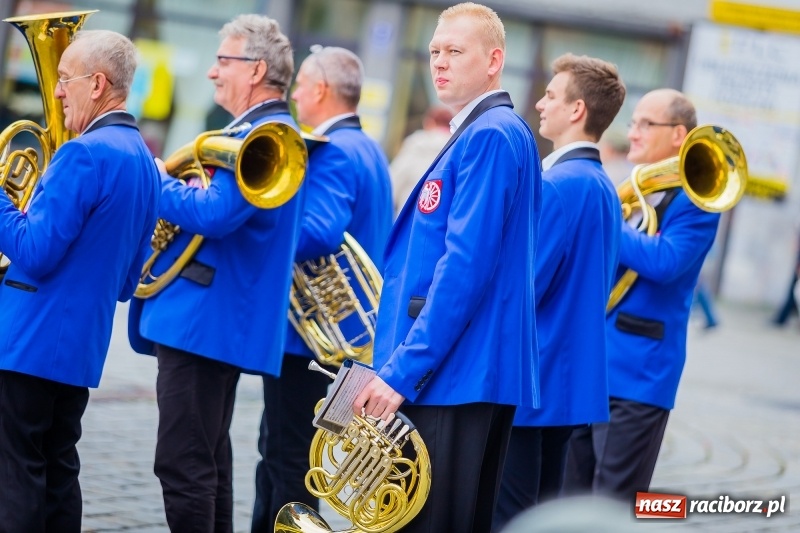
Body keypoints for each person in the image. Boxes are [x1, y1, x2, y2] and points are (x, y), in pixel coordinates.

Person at [353, 3, 541, 532]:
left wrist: (403, 372)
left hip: (454, 373)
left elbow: (465, 267)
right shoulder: (492, 130)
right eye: (435, 51)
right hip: (462, 370)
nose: (439, 62)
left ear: (493, 60)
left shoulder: (489, 134)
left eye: (455, 51)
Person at [126, 14, 303, 532]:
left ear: (256, 70)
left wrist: (154, 180)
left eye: (223, 61)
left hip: (207, 321)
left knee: (183, 464)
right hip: (211, 321)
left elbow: (215, 214)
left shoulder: (266, 133)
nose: (211, 73)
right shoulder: (252, 130)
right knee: (208, 463)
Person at [0, 30, 160, 532]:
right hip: (79, 348)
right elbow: (125, 282)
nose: (58, 91)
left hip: (30, 342)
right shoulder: (143, 160)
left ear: (97, 84)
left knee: (16, 473)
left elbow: (33, 250)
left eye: (65, 79)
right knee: (57, 472)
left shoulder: (83, 154)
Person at [250, 46, 392, 532]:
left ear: (320, 90)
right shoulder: (368, 147)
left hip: (309, 344)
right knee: (292, 458)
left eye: (299, 86)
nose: (293, 97)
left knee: (286, 462)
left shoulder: (332, 151)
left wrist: (254, 221)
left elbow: (318, 233)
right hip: (344, 342)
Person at [563, 89, 721, 501]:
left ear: (678, 135)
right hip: (592, 366)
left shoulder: (698, 198)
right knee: (571, 495)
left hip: (640, 374)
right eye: (632, 123)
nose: (632, 132)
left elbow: (667, 261)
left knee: (614, 502)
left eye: (645, 124)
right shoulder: (631, 188)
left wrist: (605, 220)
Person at [493, 53, 625, 530]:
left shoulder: (558, 184)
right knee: (541, 510)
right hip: (569, 384)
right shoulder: (602, 184)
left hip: (535, 380)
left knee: (510, 514)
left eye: (551, 94)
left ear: (576, 111)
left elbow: (526, 287)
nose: (539, 102)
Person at [389, 105, 453, 217]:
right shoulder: (458, 148)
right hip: (441, 222)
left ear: (430, 122)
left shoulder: (416, 144)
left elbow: (394, 181)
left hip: (410, 218)